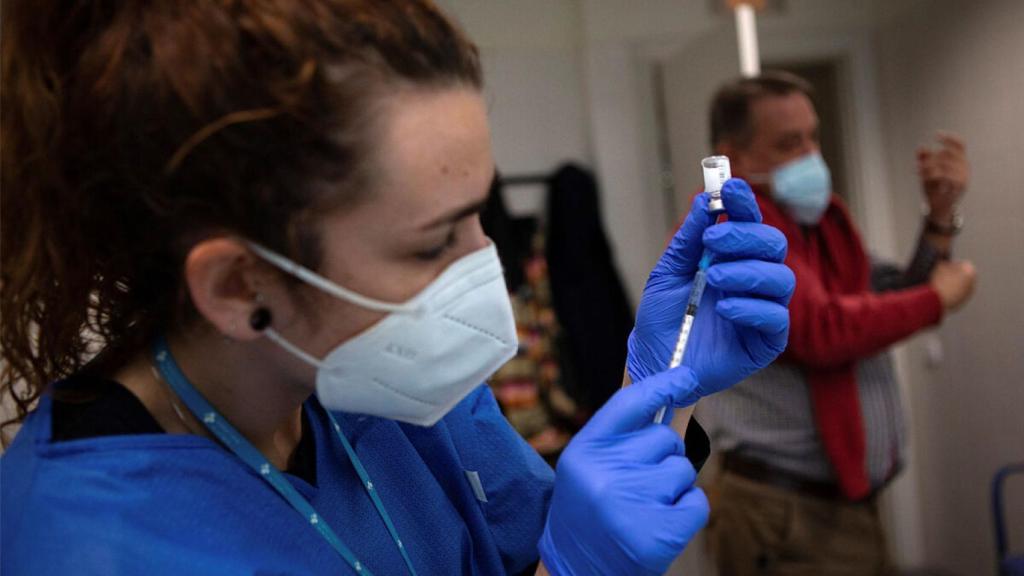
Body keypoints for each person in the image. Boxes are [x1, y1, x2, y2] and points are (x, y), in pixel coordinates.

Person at [0, 2, 794, 574]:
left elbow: (541, 543)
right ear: (241, 284)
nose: (486, 262)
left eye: (478, 215)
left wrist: (663, 383)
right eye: (432, 242)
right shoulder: (88, 541)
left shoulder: (385, 382)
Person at [697, 71, 977, 575]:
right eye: (789, 142)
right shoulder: (734, 228)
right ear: (731, 155)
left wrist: (939, 218)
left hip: (835, 507)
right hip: (784, 514)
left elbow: (885, 294)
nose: (810, 155)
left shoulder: (818, 223)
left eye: (812, 137)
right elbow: (820, 329)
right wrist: (935, 301)